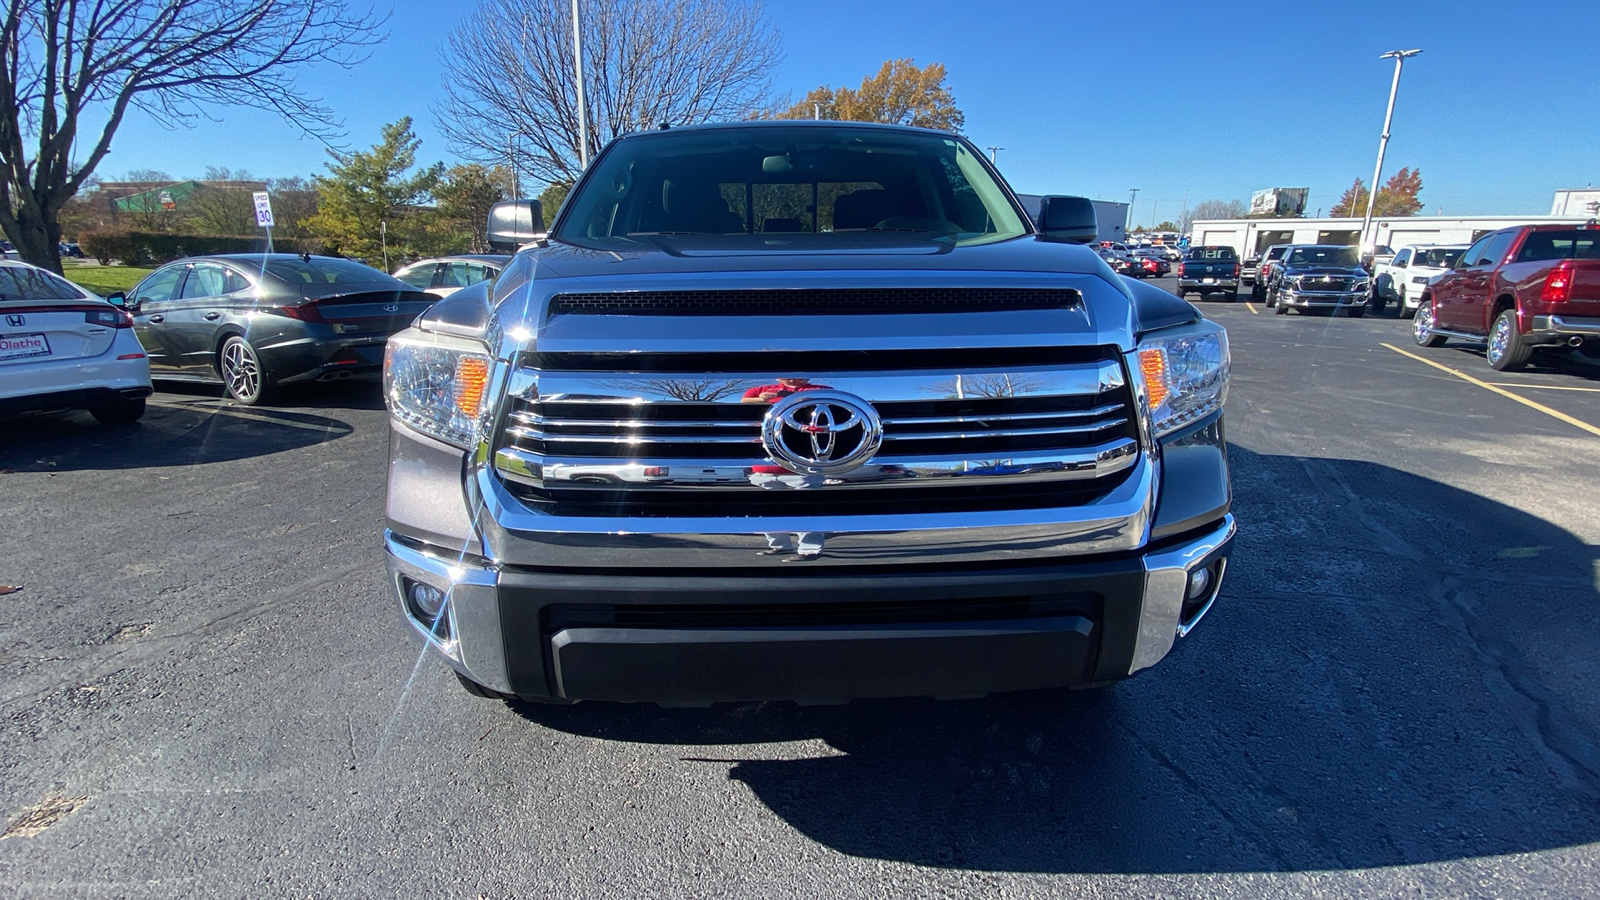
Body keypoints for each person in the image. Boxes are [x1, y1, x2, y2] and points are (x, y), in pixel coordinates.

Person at [744, 376, 828, 560]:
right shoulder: (762, 389)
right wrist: (762, 399)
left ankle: (810, 549)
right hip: (764, 463)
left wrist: (784, 396)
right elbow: (745, 401)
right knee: (768, 510)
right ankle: (780, 545)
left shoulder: (819, 389)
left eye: (799, 372)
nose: (793, 377)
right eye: (787, 372)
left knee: (806, 508)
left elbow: (825, 401)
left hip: (803, 463)